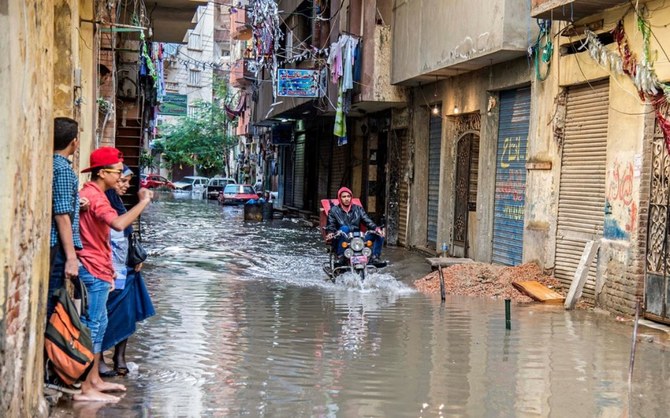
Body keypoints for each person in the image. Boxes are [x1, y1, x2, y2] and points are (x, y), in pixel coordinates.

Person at [75, 147, 153, 402]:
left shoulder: (93, 194)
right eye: (118, 172)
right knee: (93, 325)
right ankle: (86, 387)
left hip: (100, 266)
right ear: (102, 172)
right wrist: (143, 202)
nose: (121, 178)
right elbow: (118, 224)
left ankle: (94, 380)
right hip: (93, 266)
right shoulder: (96, 197)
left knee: (100, 324)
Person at [46, 117, 89, 394]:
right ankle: (53, 371)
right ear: (74, 142)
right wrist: (71, 257)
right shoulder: (63, 170)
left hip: (57, 246)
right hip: (59, 249)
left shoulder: (53, 166)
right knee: (55, 308)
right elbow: (62, 215)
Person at [99, 166, 156, 378]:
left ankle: (119, 357)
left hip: (125, 267)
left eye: (127, 182)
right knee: (109, 313)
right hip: (111, 268)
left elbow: (126, 234)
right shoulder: (103, 201)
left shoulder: (116, 200)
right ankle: (101, 360)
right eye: (122, 180)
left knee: (127, 313)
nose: (125, 185)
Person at [325, 187, 385, 264]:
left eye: (348, 196)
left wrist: (376, 229)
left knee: (379, 235)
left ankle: (374, 257)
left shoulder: (358, 209)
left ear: (351, 197)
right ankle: (341, 256)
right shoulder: (333, 210)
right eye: (344, 197)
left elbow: (367, 220)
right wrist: (330, 232)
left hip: (357, 238)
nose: (346, 199)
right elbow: (331, 224)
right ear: (340, 198)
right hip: (341, 239)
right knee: (344, 228)